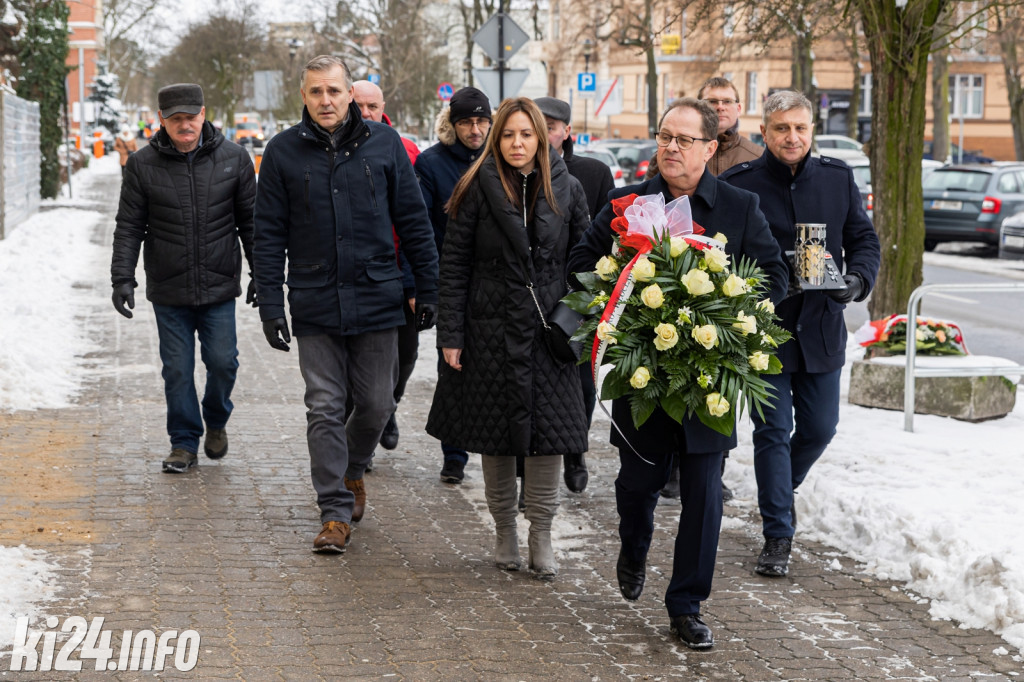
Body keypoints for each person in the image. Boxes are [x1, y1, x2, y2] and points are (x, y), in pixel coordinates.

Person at [567, 97, 788, 649]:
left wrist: (733, 309)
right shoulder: (627, 204)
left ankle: (686, 604)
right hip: (642, 377)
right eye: (665, 136)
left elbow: (774, 279)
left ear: (710, 148)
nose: (671, 147)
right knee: (637, 483)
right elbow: (580, 266)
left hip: (708, 380)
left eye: (684, 140)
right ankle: (633, 546)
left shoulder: (738, 208)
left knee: (704, 495)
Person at [252, 56, 439, 554]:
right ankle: (333, 511)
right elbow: (267, 236)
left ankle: (353, 469)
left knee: (377, 403)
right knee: (324, 407)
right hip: (314, 300)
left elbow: (414, 220)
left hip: (379, 298)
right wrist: (270, 303)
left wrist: (430, 286)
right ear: (304, 96)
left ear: (349, 95)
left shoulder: (384, 147)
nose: (326, 100)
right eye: (316, 92)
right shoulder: (282, 152)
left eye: (334, 90)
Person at [426, 97, 591, 580]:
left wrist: (581, 322)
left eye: (525, 134)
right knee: (494, 437)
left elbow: (586, 264)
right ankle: (503, 532)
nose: (516, 143)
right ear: (496, 139)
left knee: (549, 437)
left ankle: (541, 532)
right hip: (488, 329)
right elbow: (453, 267)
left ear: (542, 137)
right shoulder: (474, 187)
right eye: (507, 135)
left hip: (550, 333)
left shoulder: (569, 188)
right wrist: (450, 335)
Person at [720, 90, 880, 578]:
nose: (792, 137)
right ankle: (778, 534)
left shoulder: (837, 177)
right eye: (782, 128)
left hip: (822, 329)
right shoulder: (738, 183)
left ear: (811, 130)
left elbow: (863, 240)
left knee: (820, 428)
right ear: (764, 132)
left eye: (801, 128)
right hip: (765, 330)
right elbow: (720, 252)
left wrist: (858, 281)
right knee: (773, 432)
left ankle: (777, 490)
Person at [110, 83, 257, 474]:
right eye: (176, 119)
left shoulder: (235, 158)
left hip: (219, 284)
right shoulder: (142, 164)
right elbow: (129, 226)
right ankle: (183, 442)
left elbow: (251, 223)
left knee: (224, 363)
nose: (185, 125)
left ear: (203, 113)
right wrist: (121, 277)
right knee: (176, 368)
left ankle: (217, 419)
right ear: (161, 120)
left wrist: (264, 274)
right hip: (169, 286)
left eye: (191, 117)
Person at [534, 96, 614, 496]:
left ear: (567, 132)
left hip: (579, 295)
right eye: (538, 124)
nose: (545, 133)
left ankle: (575, 450)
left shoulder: (593, 173)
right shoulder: (515, 171)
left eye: (552, 126)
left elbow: (606, 231)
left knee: (581, 385)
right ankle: (529, 474)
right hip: (532, 296)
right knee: (533, 387)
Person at [414, 87, 492, 485]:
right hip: (451, 278)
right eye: (466, 122)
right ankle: (454, 454)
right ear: (453, 124)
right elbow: (422, 227)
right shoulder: (431, 164)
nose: (474, 129)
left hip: (495, 279)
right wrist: (425, 282)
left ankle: (500, 450)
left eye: (481, 121)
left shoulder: (500, 159)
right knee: (453, 365)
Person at [350, 79, 419, 460]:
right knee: (358, 366)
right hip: (358, 278)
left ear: (383, 106)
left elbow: (415, 220)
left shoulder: (405, 150)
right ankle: (366, 428)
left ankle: (386, 408)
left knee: (405, 357)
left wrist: (418, 280)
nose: (365, 114)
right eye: (358, 106)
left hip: (400, 274)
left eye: (371, 106)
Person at [698, 76, 763, 176]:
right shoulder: (684, 151)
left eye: (727, 101)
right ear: (698, 108)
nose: (720, 107)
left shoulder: (758, 158)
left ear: (739, 109)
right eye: (712, 101)